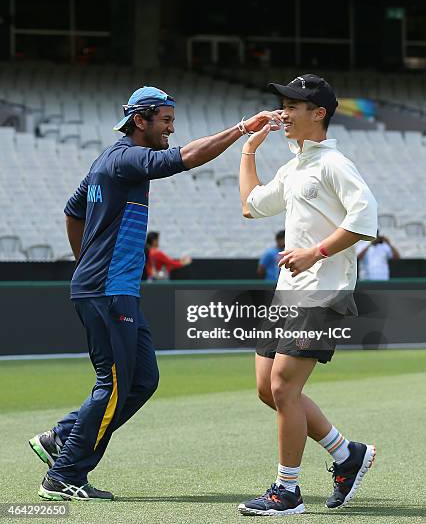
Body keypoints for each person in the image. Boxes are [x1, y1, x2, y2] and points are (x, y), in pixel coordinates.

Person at [29, 85, 282, 501]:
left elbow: (73, 212)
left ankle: (62, 436)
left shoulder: (107, 162)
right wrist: (240, 129)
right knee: (111, 385)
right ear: (140, 120)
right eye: (165, 121)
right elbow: (183, 158)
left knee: (143, 379)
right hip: (107, 290)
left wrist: (85, 262)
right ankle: (64, 474)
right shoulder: (127, 157)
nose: (171, 128)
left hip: (111, 288)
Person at [238, 74, 378, 515]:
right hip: (290, 293)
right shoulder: (295, 165)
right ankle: (346, 453)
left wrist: (315, 251)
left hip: (323, 291)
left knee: (283, 386)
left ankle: (287, 492)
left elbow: (365, 219)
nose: (284, 112)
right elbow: (251, 205)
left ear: (318, 114)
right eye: (283, 103)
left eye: (293, 105)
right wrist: (249, 149)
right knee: (268, 388)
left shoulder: (334, 163)